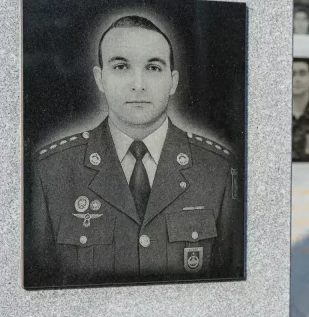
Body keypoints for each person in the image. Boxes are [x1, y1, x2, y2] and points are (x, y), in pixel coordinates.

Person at [28, 15, 244, 288]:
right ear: (100, 78)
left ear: (173, 81)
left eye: (153, 68)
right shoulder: (53, 170)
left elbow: (230, 283)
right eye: (121, 66)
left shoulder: (216, 169)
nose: (138, 84)